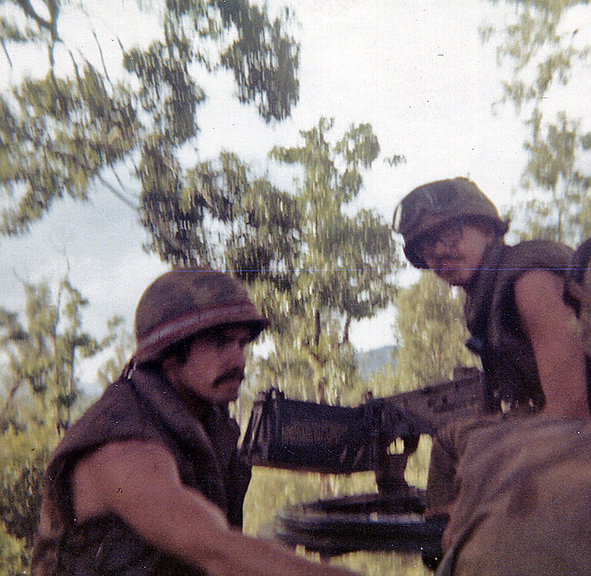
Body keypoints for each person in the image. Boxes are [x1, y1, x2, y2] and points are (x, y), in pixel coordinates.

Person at [31, 267, 359, 576]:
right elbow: (213, 549)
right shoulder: (124, 445)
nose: (238, 361)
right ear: (171, 354)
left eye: (241, 343)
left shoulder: (204, 419)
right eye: (219, 344)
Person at [393, 177, 591, 572]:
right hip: (558, 419)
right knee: (451, 438)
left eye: (450, 233)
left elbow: (571, 407)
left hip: (576, 423)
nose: (439, 251)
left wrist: (492, 460)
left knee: (476, 452)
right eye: (425, 244)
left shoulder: (528, 280)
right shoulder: (486, 292)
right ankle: (450, 548)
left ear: (487, 229)